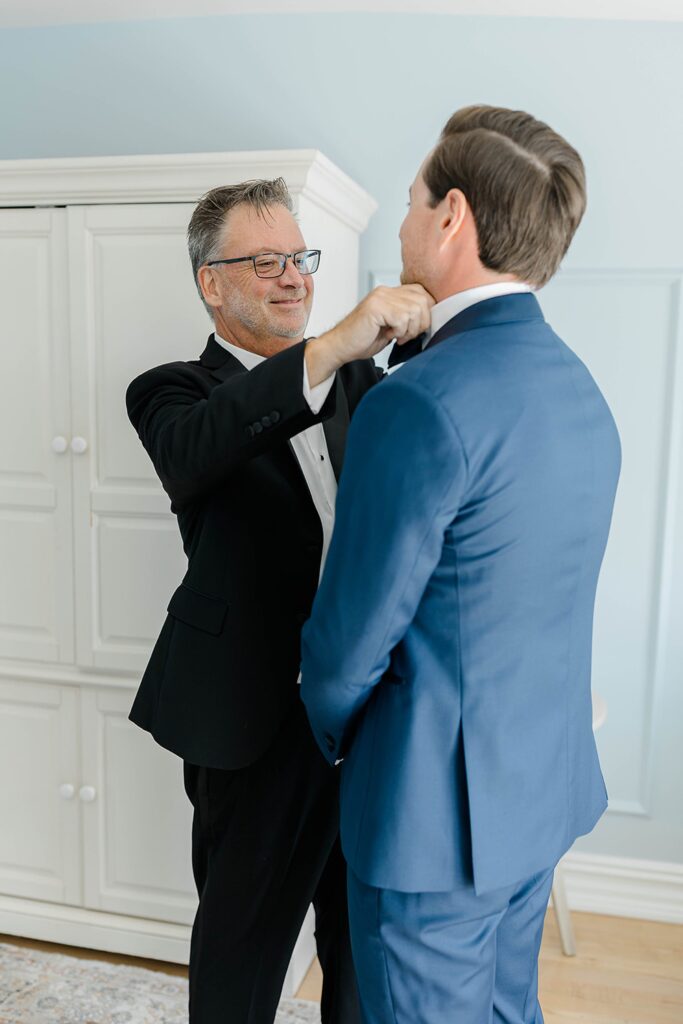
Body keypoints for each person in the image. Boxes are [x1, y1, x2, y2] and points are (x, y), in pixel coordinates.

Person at [300, 106, 621, 1024]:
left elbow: (344, 645)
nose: (400, 227)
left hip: (430, 824)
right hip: (537, 792)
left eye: (407, 203)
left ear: (449, 217)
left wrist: (335, 736)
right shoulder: (577, 386)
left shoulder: (420, 402)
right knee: (506, 1010)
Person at [125, 177, 432, 1024]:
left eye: (299, 257)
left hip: (364, 709)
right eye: (265, 260)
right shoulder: (171, 390)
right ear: (210, 282)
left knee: (360, 937)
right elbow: (198, 453)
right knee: (243, 946)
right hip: (250, 718)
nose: (293, 275)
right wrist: (330, 346)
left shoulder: (359, 385)